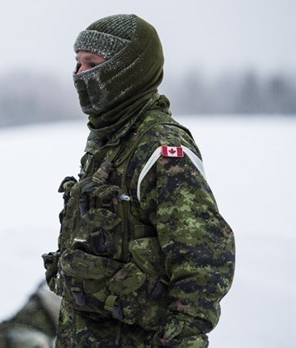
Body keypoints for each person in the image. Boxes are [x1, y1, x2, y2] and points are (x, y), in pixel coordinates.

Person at [42, 14, 235, 347]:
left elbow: (203, 259)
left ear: (126, 68)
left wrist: (182, 337)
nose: (80, 75)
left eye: (91, 63)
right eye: (77, 64)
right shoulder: (109, 140)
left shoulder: (159, 147)